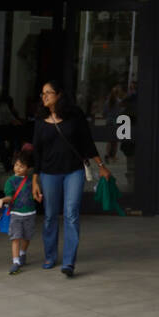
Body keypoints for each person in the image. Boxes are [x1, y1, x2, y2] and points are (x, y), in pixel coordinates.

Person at [32, 81, 110, 277]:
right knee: (50, 215)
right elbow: (37, 151)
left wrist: (101, 166)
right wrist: (35, 179)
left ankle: (69, 262)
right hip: (49, 173)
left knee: (71, 213)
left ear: (59, 95)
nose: (45, 97)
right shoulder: (40, 119)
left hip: (73, 171)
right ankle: (50, 256)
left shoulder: (74, 115)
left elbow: (87, 141)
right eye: (43, 94)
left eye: (48, 93)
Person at [0, 146, 37, 275]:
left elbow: (36, 193)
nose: (17, 168)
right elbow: (10, 197)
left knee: (27, 237)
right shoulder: (10, 181)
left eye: (22, 166)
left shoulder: (32, 180)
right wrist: (2, 200)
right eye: (16, 165)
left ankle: (23, 253)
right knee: (16, 238)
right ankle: (16, 261)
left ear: (28, 169)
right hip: (16, 215)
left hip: (30, 213)